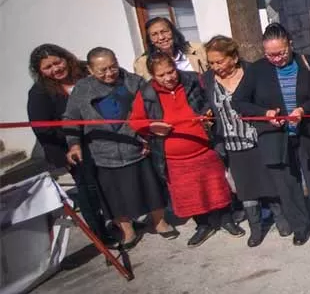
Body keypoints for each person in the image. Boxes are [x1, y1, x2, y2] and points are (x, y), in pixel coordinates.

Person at [237, 23, 310, 245]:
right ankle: (300, 227)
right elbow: (239, 102)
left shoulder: (307, 62)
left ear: (290, 45)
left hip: (307, 133)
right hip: (275, 137)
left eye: (281, 53)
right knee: (287, 184)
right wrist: (265, 113)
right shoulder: (257, 70)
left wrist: (303, 109)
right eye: (271, 55)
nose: (277, 59)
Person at [129, 53, 244, 248]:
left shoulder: (192, 80)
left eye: (171, 71)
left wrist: (207, 114)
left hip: (204, 149)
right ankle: (204, 225)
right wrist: (152, 127)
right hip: (174, 157)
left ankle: (226, 220)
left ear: (176, 67)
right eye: (161, 75)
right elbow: (135, 121)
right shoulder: (147, 93)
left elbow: (211, 101)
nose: (168, 78)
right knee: (191, 195)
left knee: (217, 188)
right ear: (152, 76)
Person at [65, 48, 175, 248]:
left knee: (151, 188)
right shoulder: (83, 89)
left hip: (136, 147)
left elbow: (151, 112)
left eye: (112, 66)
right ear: (90, 69)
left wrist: (146, 138)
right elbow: (71, 118)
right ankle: (127, 230)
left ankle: (160, 222)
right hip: (102, 151)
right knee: (113, 196)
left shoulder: (134, 82)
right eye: (102, 70)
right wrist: (74, 145)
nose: (109, 73)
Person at [26, 44, 113, 245]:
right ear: (40, 71)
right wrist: (71, 141)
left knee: (110, 183)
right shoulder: (40, 93)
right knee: (89, 189)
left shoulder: (86, 72)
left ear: (66, 58)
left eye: (57, 62)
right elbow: (42, 128)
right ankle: (101, 234)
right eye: (47, 67)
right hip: (73, 149)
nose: (55, 69)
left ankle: (123, 221)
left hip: (104, 139)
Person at [203, 36, 282, 248]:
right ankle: (256, 229)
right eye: (211, 62)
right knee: (246, 188)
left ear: (234, 58)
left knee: (269, 181)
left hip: (258, 137)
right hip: (232, 141)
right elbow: (206, 104)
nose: (215, 67)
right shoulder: (208, 80)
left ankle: (281, 220)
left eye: (219, 61)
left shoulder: (250, 71)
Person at [133, 17, 207, 78]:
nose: (161, 37)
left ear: (173, 32)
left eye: (164, 31)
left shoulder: (198, 50)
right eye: (154, 34)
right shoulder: (142, 63)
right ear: (150, 40)